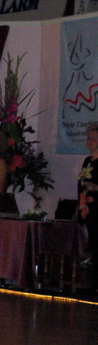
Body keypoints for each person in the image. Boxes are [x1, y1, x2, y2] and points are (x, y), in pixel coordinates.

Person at [78, 124, 98, 293]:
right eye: (88, 138)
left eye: (94, 139)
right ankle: (92, 285)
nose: (89, 141)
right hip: (88, 209)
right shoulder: (87, 161)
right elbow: (81, 185)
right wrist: (82, 205)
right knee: (92, 246)